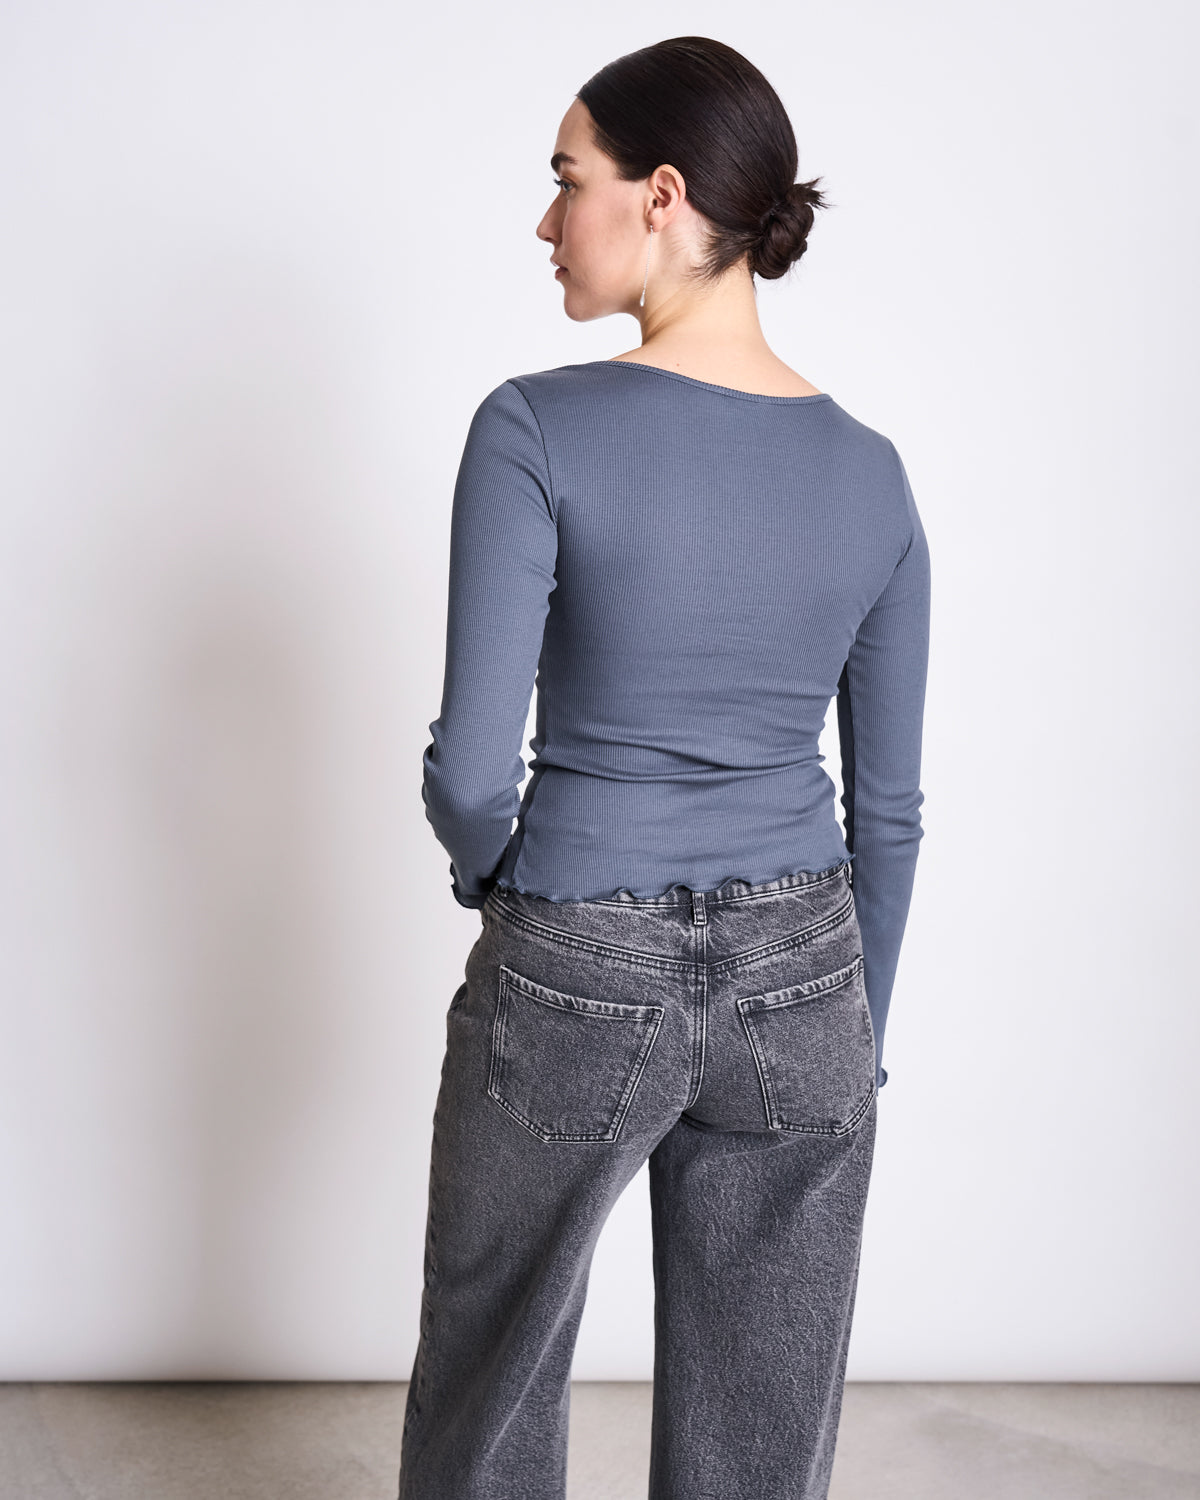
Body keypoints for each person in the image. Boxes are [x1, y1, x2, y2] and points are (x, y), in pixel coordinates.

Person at [397, 35, 931, 1500]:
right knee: (763, 1429)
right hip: (808, 974)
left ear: (663, 194)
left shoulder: (534, 429)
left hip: (577, 946)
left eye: (566, 178)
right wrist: (856, 1035)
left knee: (492, 1380)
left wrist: (511, 887)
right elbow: (887, 809)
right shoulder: (873, 473)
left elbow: (470, 774)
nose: (546, 218)